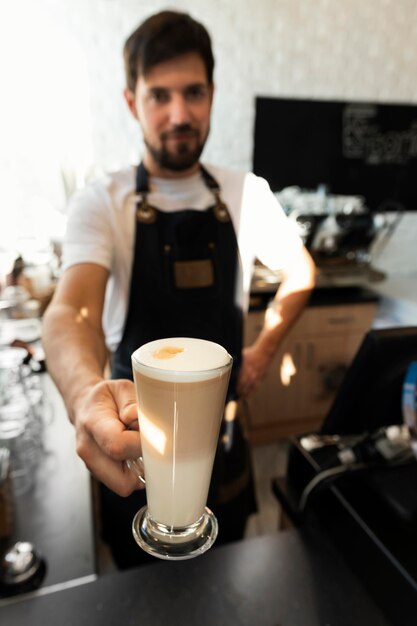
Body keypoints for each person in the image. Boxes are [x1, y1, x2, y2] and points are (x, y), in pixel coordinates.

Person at [42, 10, 315, 569]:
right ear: (130, 101)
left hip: (225, 434)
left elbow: (301, 271)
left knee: (227, 571)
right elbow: (72, 310)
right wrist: (82, 394)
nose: (179, 114)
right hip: (136, 443)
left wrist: (263, 348)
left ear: (213, 93)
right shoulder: (103, 203)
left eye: (193, 92)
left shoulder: (247, 194)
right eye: (159, 95)